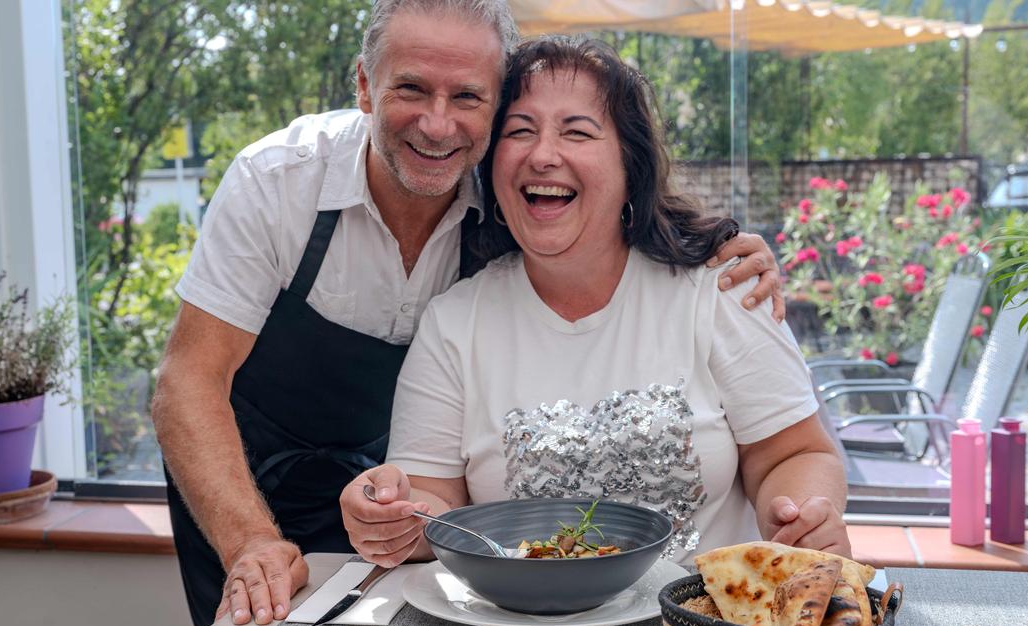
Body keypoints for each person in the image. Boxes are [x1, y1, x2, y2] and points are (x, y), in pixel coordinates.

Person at [153, 2, 783, 626]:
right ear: (366, 86)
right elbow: (189, 381)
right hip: (242, 474)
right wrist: (251, 543)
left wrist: (712, 244)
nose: (437, 123)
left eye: (467, 98)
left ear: (495, 105)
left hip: (390, 487)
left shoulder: (515, 185)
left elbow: (606, 202)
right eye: (412, 88)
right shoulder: (279, 182)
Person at [340, 36, 850, 570]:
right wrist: (395, 518)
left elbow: (794, 453)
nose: (543, 155)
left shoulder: (719, 288)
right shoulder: (453, 322)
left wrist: (800, 516)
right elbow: (432, 506)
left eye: (577, 132)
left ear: (631, 165)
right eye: (520, 131)